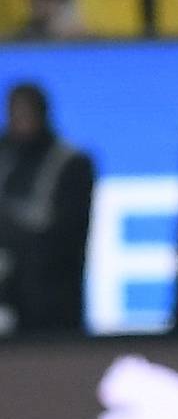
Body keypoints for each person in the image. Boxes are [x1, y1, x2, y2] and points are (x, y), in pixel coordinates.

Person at [0, 82, 92, 338]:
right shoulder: (5, 156)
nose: (21, 122)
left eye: (27, 113)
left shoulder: (72, 165)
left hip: (49, 305)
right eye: (15, 114)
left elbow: (64, 238)